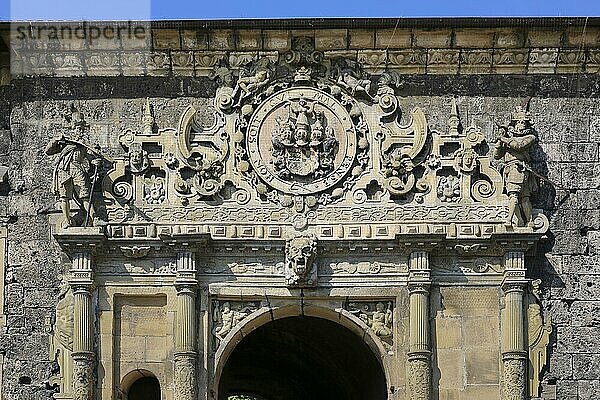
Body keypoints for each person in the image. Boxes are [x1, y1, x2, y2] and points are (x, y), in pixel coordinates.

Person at [493, 106, 538, 227]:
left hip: (518, 169)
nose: (521, 124)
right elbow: (497, 156)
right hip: (509, 170)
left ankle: (510, 220)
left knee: (520, 197)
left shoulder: (530, 137)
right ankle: (525, 221)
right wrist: (499, 141)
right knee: (518, 198)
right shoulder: (508, 140)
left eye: (524, 122)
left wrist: (503, 138)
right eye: (519, 122)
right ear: (514, 124)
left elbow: (519, 146)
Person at [45, 135, 102, 228]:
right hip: (63, 171)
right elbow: (48, 151)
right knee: (64, 197)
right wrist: (55, 140)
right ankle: (67, 220)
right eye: (76, 130)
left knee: (85, 196)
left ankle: (92, 219)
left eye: (79, 131)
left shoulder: (83, 146)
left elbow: (91, 158)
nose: (77, 133)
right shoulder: (64, 146)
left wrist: (96, 161)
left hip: (78, 170)